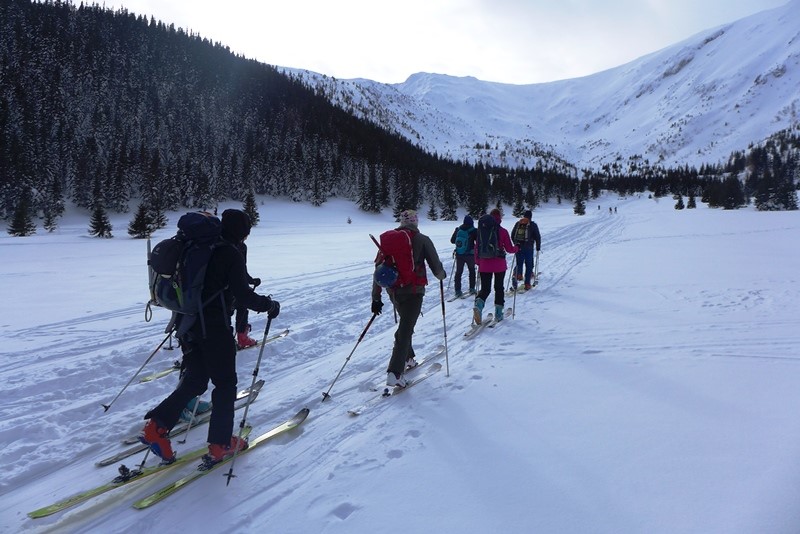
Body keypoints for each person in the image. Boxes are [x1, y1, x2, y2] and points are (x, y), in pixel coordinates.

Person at [140, 209, 280, 466]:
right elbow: (243, 296)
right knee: (225, 382)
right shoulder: (230, 253)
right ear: (242, 232)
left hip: (186, 322)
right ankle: (220, 444)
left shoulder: (198, 246)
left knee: (195, 381)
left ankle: (156, 427)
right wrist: (269, 305)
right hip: (213, 327)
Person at [371, 209, 446, 388]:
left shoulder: (389, 242)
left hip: (394, 291)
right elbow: (436, 267)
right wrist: (442, 275)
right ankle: (395, 373)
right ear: (416, 222)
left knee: (406, 325)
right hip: (414, 291)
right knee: (404, 330)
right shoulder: (422, 239)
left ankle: (408, 358)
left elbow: (378, 269)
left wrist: (376, 297)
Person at [474, 208, 518, 324]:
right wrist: (517, 248)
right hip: (499, 265)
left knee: (485, 289)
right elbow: (509, 249)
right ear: (500, 218)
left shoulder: (481, 231)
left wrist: (478, 262)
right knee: (499, 288)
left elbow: (477, 247)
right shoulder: (503, 231)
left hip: (484, 264)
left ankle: (478, 305)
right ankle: (498, 314)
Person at [233, 237, 262, 349]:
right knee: (242, 305)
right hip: (231, 287)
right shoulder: (240, 247)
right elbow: (240, 271)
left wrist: (251, 280)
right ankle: (242, 338)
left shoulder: (216, 242)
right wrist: (250, 281)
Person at [510, 210, 542, 290]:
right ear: (531, 216)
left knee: (519, 263)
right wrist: (538, 247)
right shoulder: (532, 225)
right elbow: (537, 237)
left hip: (518, 247)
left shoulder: (518, 224)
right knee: (529, 265)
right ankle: (527, 283)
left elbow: (512, 235)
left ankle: (516, 275)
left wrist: (516, 244)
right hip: (528, 248)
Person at [449, 215, 477, 298]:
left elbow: (452, 241)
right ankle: (472, 288)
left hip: (459, 254)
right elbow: (478, 241)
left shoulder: (458, 229)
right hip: (470, 255)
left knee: (458, 272)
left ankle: (457, 290)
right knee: (472, 271)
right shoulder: (474, 230)